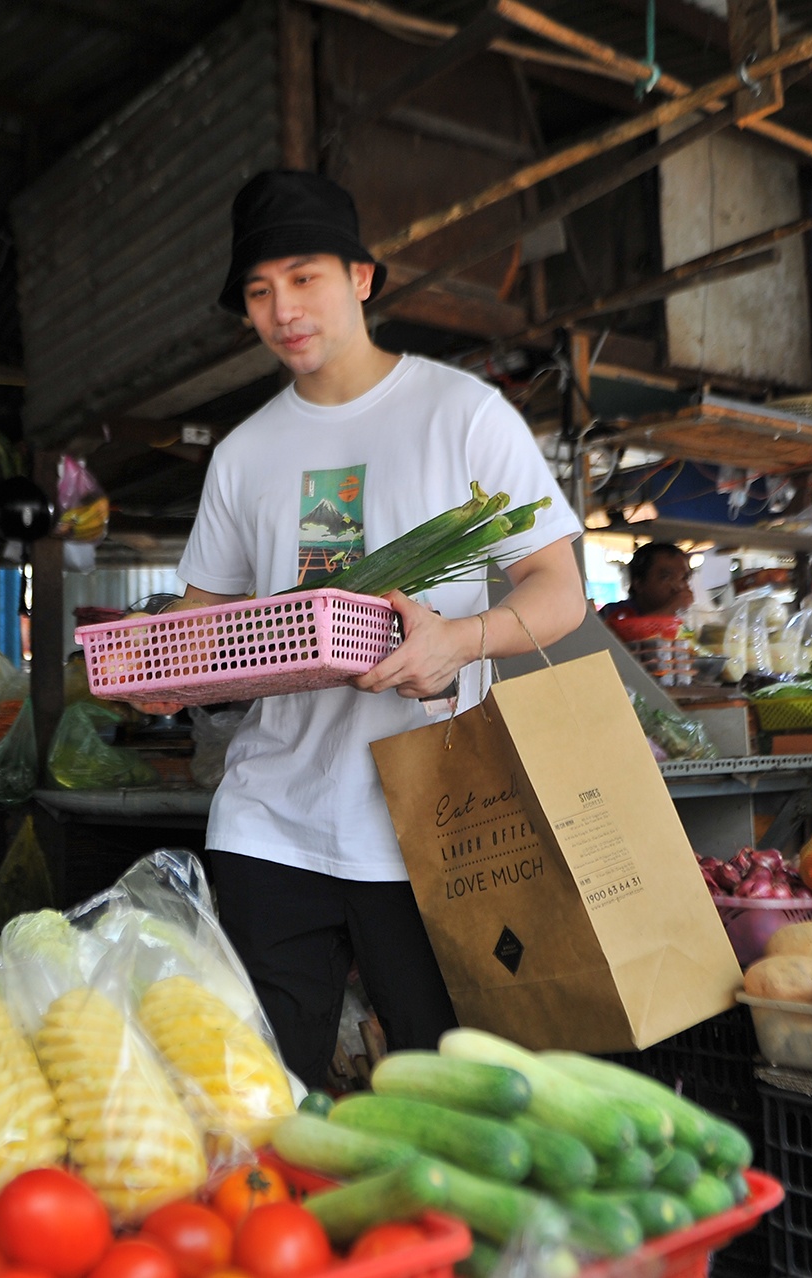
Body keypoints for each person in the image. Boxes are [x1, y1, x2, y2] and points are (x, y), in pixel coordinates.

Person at [150, 170, 588, 1087]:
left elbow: (559, 592)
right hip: (269, 818)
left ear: (361, 277)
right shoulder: (243, 453)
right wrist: (155, 668)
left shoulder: (461, 414)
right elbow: (198, 623)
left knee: (440, 1082)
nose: (282, 310)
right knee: (267, 1091)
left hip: (431, 818)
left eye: (303, 278)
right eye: (258, 292)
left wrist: (458, 642)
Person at [600, 542, 694, 625]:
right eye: (666, 577)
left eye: (684, 578)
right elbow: (631, 633)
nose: (679, 587)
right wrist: (671, 609)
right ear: (638, 584)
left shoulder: (688, 618)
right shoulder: (612, 613)